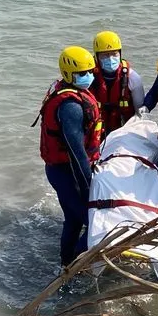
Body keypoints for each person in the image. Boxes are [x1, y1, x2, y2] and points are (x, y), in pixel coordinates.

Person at [32, 46, 103, 267]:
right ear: (68, 74)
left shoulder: (64, 89)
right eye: (82, 73)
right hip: (67, 172)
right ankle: (75, 269)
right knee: (94, 224)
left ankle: (65, 263)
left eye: (90, 71)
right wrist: (88, 185)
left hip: (61, 169)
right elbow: (76, 152)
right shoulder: (71, 106)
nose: (88, 76)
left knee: (73, 220)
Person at [89, 31, 145, 137]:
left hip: (123, 130)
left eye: (114, 54)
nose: (110, 58)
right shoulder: (88, 78)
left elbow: (140, 113)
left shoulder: (133, 78)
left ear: (120, 54)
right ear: (96, 57)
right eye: (105, 55)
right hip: (96, 130)